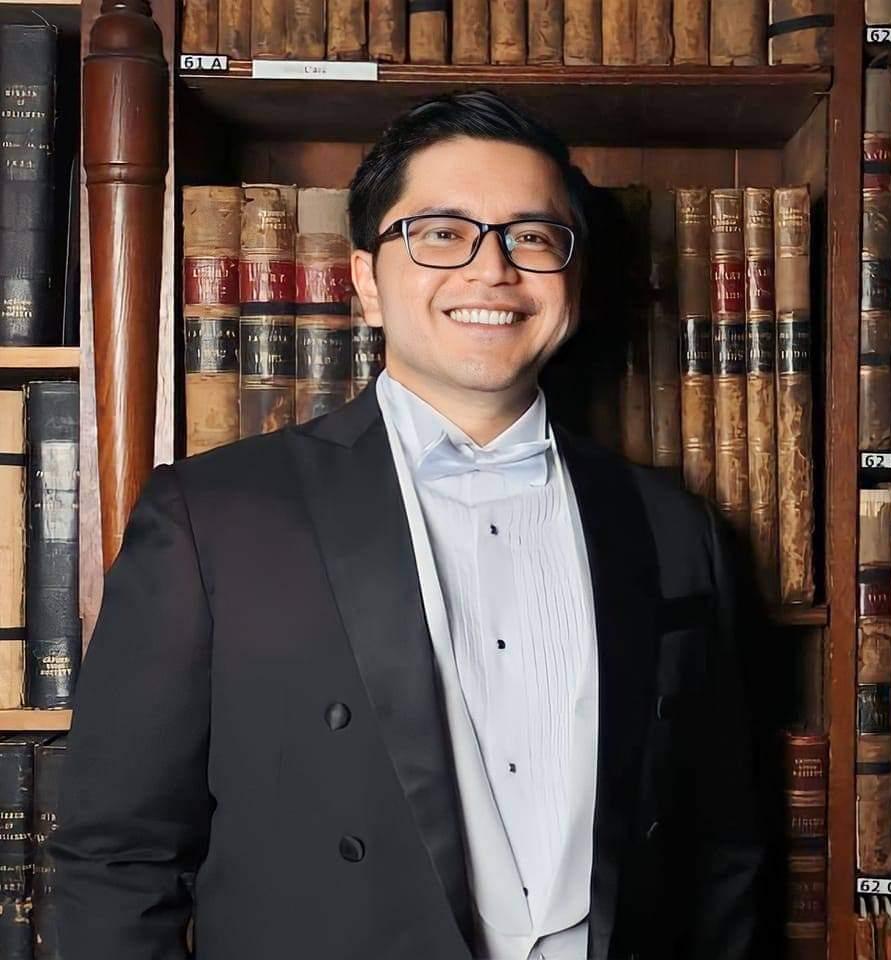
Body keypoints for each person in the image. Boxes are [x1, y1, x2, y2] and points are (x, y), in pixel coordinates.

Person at [51, 89, 766, 960]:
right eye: (441, 233)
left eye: (532, 237)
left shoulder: (673, 527)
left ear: (572, 280)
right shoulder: (213, 516)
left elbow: (721, 853)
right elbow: (118, 859)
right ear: (365, 283)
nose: (491, 270)